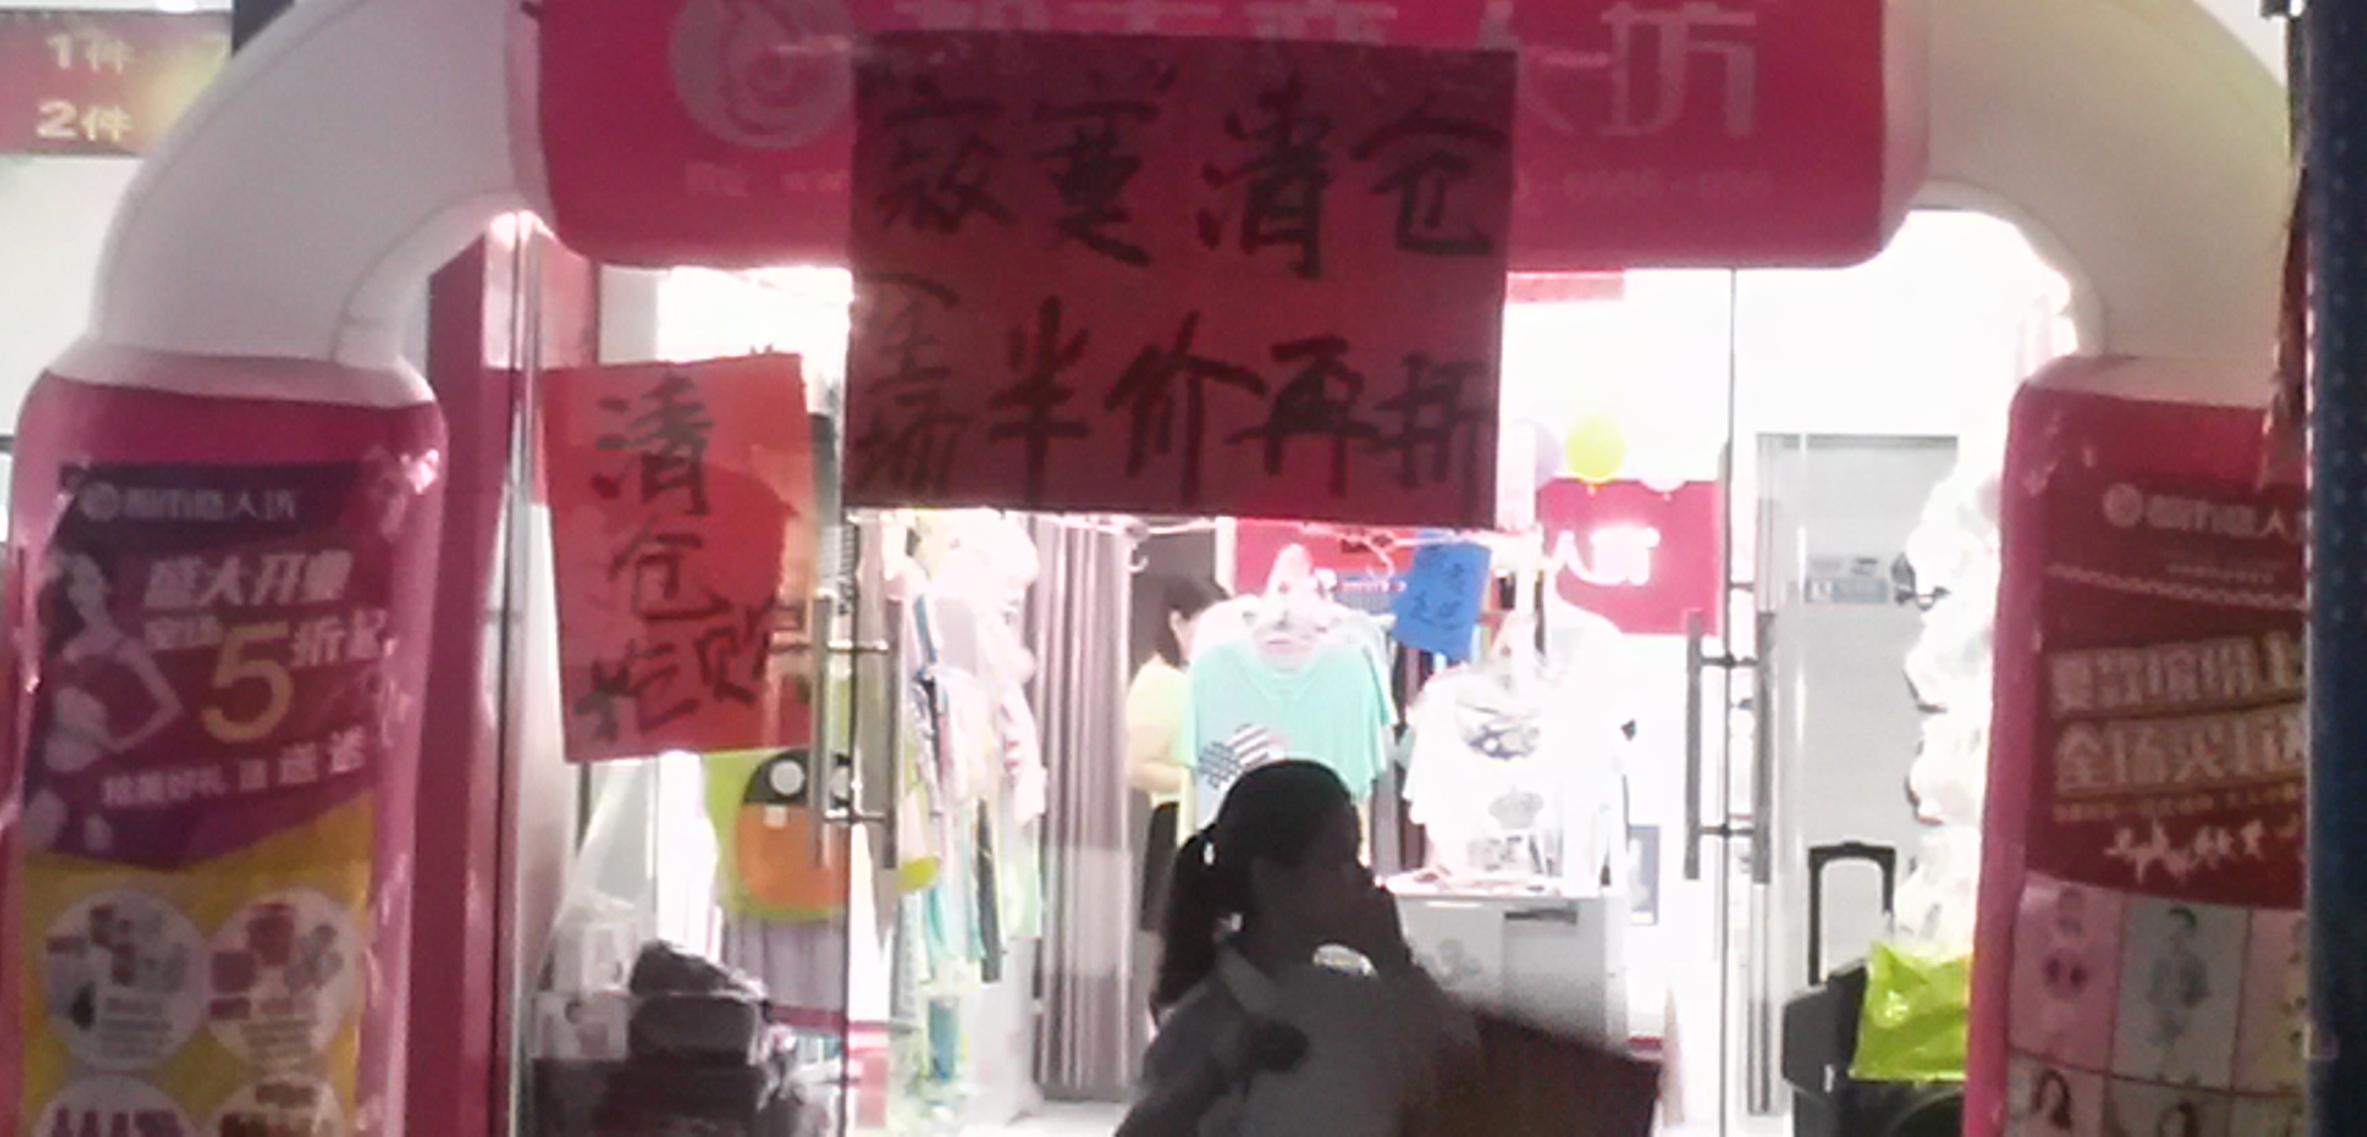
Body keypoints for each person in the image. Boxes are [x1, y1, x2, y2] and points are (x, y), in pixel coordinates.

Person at [1120, 762, 1470, 1137]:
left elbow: (1464, 1069)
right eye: (1339, 860)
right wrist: (1216, 1073)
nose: (1364, 876)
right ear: (1271, 880)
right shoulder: (1204, 1024)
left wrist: (1393, 959)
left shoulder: (1349, 997)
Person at [1129, 576, 1227, 933]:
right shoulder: (1158, 681)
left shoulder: (1204, 676)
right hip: (1175, 823)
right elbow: (1136, 767)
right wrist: (1196, 782)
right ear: (1177, 622)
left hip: (1210, 822)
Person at [2147, 908, 2211, 1081]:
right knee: (2163, 1040)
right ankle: (2161, 1072)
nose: (2174, 934)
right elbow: (2154, 988)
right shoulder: (2160, 962)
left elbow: (2200, 991)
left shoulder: (2195, 963)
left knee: (2184, 1040)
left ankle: (2188, 1074)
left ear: (2191, 933)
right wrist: (2158, 1004)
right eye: (2170, 928)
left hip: (2183, 1010)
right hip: (2163, 1008)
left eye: (2181, 929)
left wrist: (2187, 1006)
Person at [2013, 1068, 2075, 1134]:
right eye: (2050, 1090)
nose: (2052, 1096)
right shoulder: (2027, 1120)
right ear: (2043, 1092)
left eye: (2056, 1094)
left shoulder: (2062, 1129)